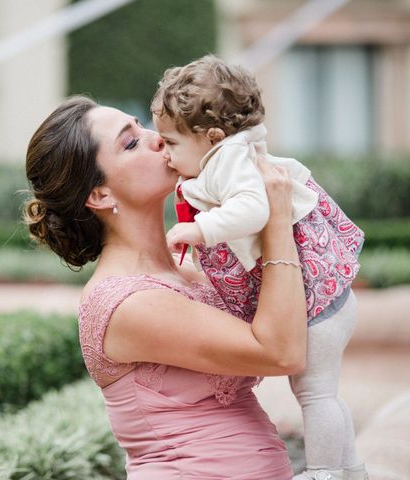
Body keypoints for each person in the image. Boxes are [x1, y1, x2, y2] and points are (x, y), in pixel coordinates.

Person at [24, 95, 308, 479]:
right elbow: (282, 352)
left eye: (141, 124)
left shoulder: (189, 266)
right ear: (100, 195)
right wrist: (274, 218)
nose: (156, 137)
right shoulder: (128, 303)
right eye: (130, 142)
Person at [151, 55, 367, 480]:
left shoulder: (228, 159)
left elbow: (251, 210)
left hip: (317, 306)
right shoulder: (226, 156)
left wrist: (198, 232)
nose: (166, 154)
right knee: (323, 393)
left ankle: (325, 472)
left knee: (315, 395)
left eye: (172, 143)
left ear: (211, 136)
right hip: (329, 300)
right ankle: (350, 469)